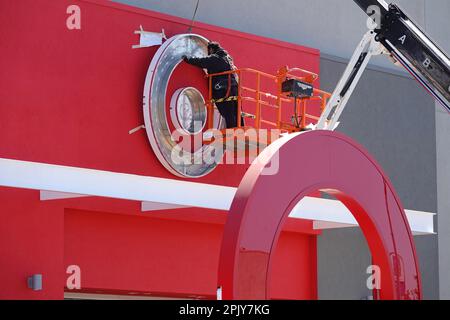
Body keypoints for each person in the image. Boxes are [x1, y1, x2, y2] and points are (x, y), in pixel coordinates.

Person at [183, 42, 244, 129]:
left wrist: (187, 59)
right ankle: (242, 130)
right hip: (234, 87)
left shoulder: (215, 58)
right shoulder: (228, 58)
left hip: (223, 89)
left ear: (211, 49)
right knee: (237, 111)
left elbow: (201, 62)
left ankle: (233, 132)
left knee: (228, 112)